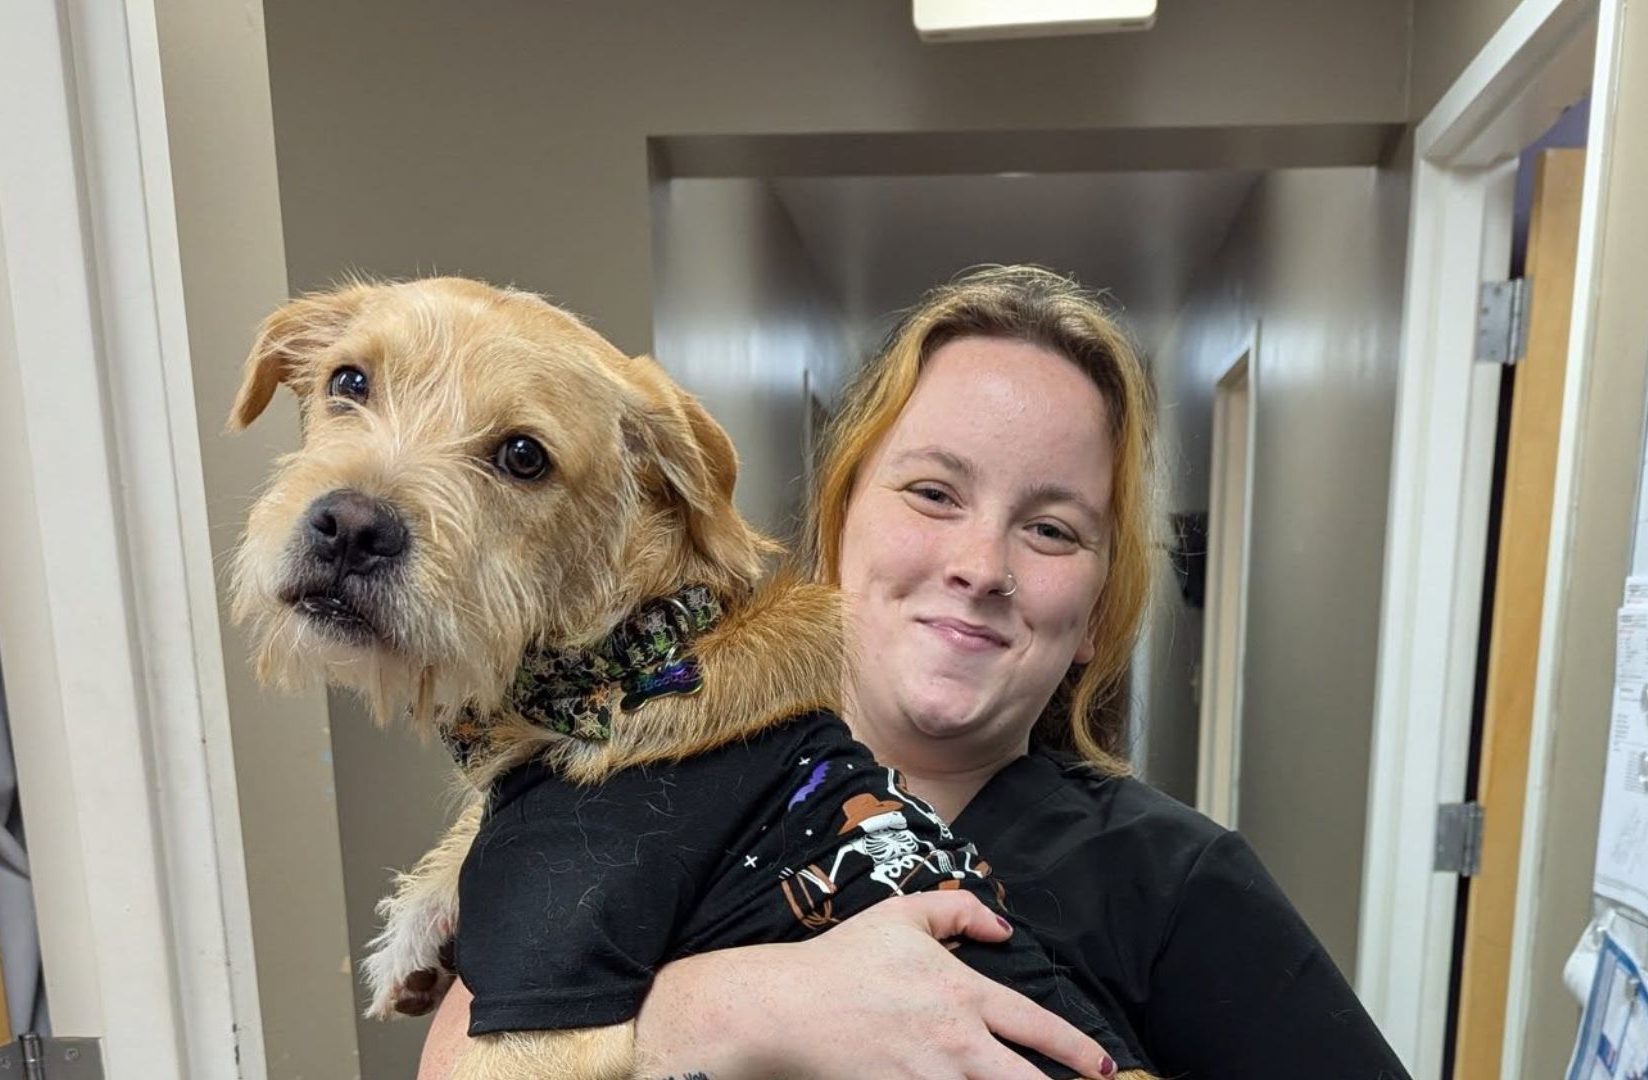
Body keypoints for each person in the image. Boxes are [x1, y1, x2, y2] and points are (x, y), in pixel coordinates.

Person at [419, 265, 1409, 1079]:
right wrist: (745, 1009)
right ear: (839, 521)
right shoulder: (636, 774)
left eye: (1052, 528)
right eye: (934, 492)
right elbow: (466, 1055)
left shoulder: (1175, 884)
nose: (981, 565)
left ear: (1098, 617)